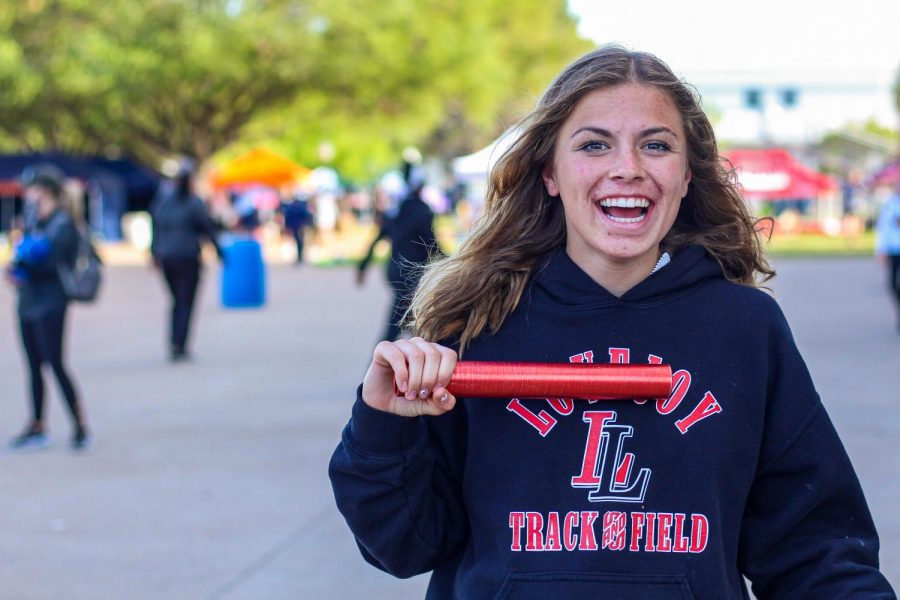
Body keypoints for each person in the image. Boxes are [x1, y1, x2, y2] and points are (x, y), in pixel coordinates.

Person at [329, 46, 896, 598]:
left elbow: (814, 551)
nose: (627, 168)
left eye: (656, 145)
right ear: (550, 172)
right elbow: (403, 545)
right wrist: (384, 425)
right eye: (594, 145)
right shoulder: (478, 322)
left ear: (686, 176)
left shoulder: (745, 329)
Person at [5, 164, 90, 451]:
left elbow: (51, 262)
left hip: (51, 301)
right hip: (28, 300)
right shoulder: (33, 221)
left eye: (32, 189)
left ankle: (80, 427)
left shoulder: (63, 224)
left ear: (46, 190)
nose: (28, 194)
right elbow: (22, 256)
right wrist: (15, 269)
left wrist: (26, 264)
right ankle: (37, 425)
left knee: (55, 363)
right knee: (32, 366)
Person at [356, 164, 442, 342]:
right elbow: (431, 243)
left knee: (412, 323)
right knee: (399, 325)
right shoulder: (421, 210)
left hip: (396, 272)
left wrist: (362, 267)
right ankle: (377, 366)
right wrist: (453, 262)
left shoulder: (395, 211)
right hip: (413, 275)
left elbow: (376, 240)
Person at [150, 162, 223, 362]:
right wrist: (219, 251)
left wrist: (154, 252)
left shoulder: (163, 203)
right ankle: (179, 344)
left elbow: (156, 228)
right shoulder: (193, 203)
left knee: (176, 301)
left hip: (167, 257)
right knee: (185, 302)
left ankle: (176, 341)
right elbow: (207, 227)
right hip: (186, 257)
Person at [875, 182, 900, 331]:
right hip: (893, 250)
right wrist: (881, 249)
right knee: (892, 285)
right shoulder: (889, 204)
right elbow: (883, 228)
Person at [278, 191, 312, 265]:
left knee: (300, 242)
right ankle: (300, 257)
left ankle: (300, 257)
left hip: (298, 226)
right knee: (299, 242)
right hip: (298, 226)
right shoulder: (296, 206)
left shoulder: (295, 206)